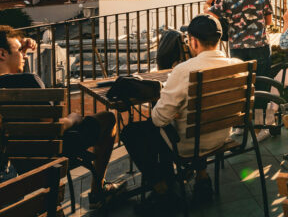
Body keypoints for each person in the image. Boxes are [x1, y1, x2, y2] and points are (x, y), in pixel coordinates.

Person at [121, 15, 240, 209]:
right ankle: (202, 179)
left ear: (193, 41)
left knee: (132, 132)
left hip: (190, 145)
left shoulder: (185, 70)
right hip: (222, 136)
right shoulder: (236, 64)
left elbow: (159, 119)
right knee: (191, 122)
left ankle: (163, 192)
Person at [0, 26, 121, 210]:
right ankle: (98, 190)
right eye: (20, 51)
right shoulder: (29, 81)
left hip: (17, 160)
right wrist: (74, 118)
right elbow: (55, 126)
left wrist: (19, 46)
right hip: (52, 154)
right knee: (108, 119)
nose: (25, 56)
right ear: (2, 53)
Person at [207, 0, 273, 119]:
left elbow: (209, 17)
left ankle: (242, 120)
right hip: (260, 46)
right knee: (261, 83)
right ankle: (259, 120)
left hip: (237, 48)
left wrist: (209, 4)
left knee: (240, 85)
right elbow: (269, 21)